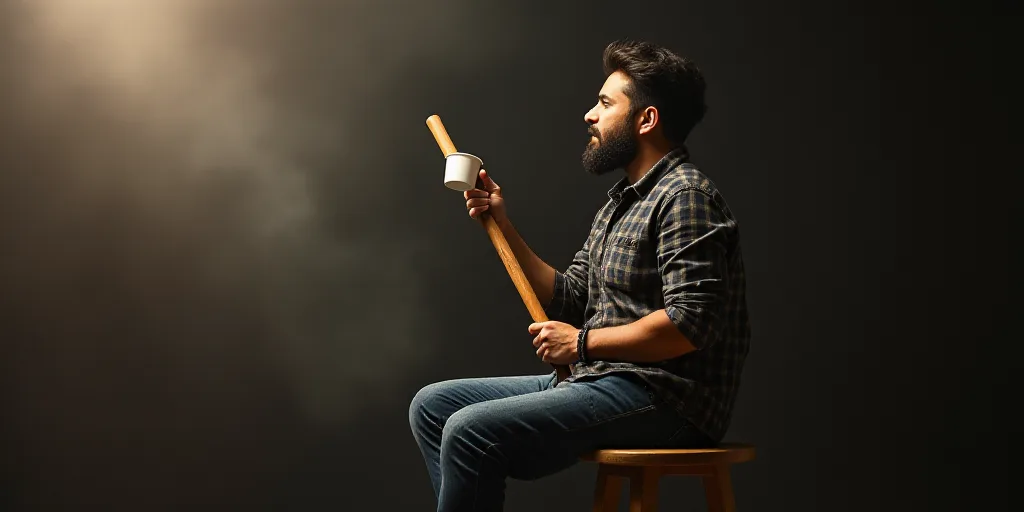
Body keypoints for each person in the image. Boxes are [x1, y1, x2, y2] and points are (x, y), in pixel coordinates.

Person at [409, 39, 750, 512]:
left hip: (667, 400)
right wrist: (502, 223)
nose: (590, 114)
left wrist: (582, 344)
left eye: (605, 103)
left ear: (646, 120)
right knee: (432, 407)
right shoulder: (619, 203)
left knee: (469, 431)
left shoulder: (685, 196)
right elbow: (569, 297)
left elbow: (691, 324)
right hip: (602, 381)